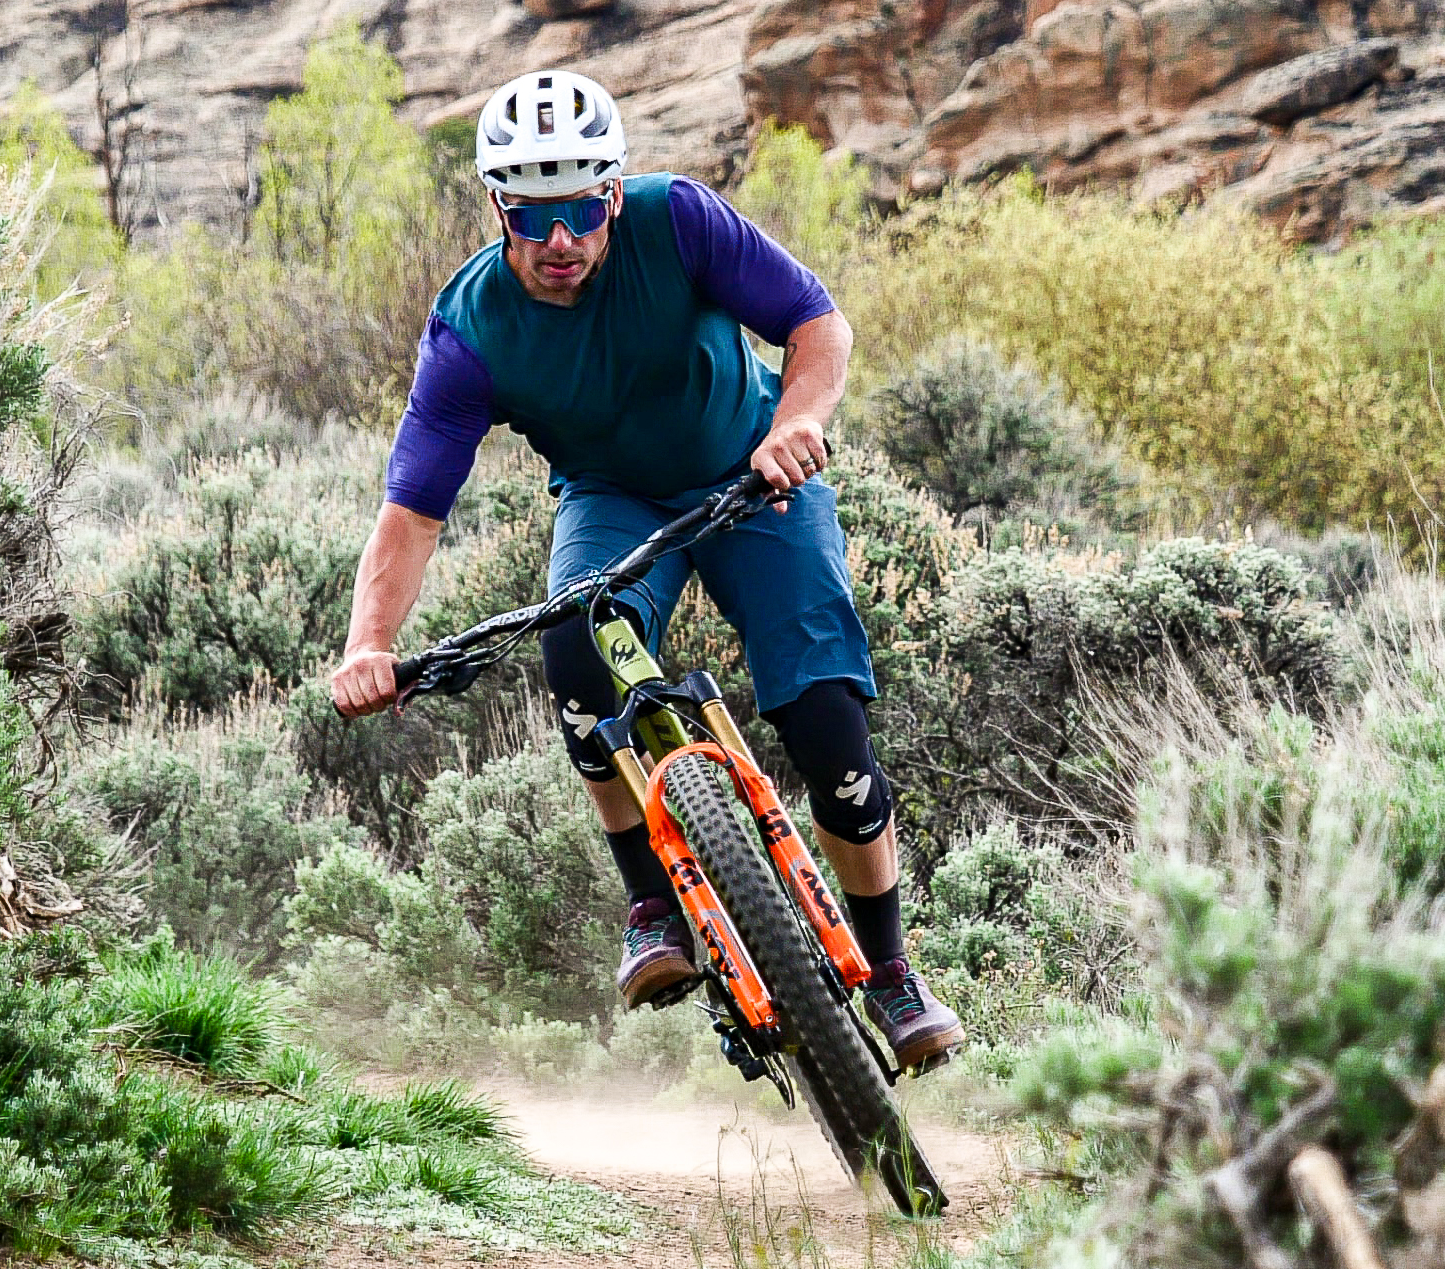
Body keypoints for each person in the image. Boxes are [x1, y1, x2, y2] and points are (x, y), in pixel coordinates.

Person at [323, 67, 966, 1071]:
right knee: (577, 647)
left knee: (826, 723)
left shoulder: (680, 222)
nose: (560, 240)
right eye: (533, 216)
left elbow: (816, 323)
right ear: (498, 207)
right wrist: (370, 646)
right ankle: (653, 908)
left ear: (614, 191)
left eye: (582, 206)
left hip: (757, 479)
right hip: (612, 500)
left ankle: (889, 973)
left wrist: (797, 424)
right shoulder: (471, 330)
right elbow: (411, 516)